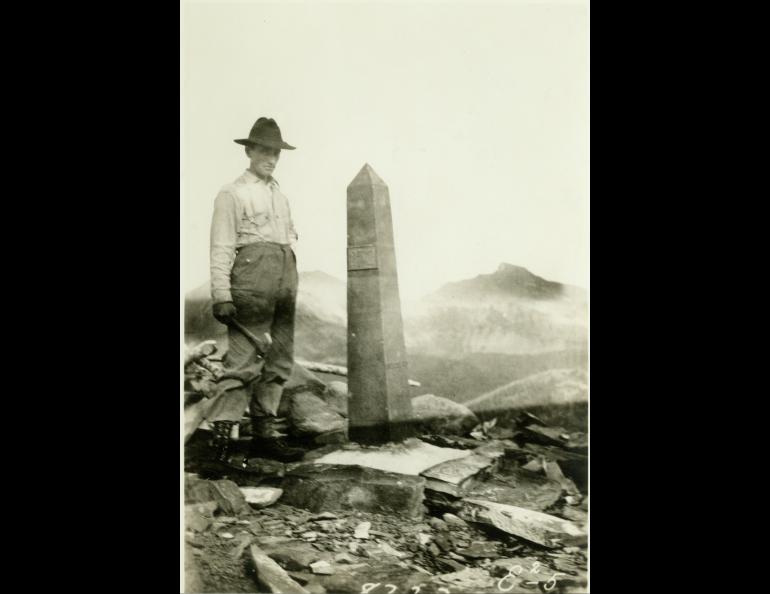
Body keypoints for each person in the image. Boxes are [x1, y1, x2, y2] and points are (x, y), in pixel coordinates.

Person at [204, 117, 305, 463]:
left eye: (276, 151)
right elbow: (221, 246)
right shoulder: (232, 193)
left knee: (279, 359)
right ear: (249, 150)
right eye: (264, 150)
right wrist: (222, 294)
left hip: (284, 278)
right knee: (242, 362)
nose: (271, 157)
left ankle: (265, 435)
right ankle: (220, 446)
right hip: (251, 281)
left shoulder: (281, 195)